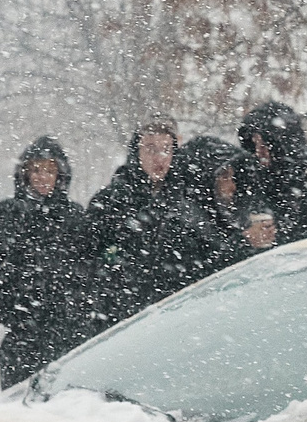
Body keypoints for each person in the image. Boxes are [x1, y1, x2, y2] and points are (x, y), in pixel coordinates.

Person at [0, 136, 100, 388]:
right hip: (17, 329)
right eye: (36, 169)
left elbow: (90, 272)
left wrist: (81, 315)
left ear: (61, 175)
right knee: (18, 401)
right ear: (24, 173)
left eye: (50, 170)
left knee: (62, 403)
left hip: (64, 328)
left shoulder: (76, 217)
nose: (42, 177)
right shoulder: (4, 214)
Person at [84, 118, 218, 323]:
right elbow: (88, 260)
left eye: (166, 148)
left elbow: (211, 258)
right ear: (136, 152)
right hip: (124, 320)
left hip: (181, 317)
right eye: (150, 149)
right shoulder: (110, 202)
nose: (160, 157)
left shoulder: (190, 201)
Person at [237, 101, 307, 246]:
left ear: (283, 144)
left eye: (264, 144)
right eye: (254, 144)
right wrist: (246, 240)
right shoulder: (248, 183)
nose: (259, 152)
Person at [176, 134, 256, 276]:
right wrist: (244, 242)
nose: (233, 187)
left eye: (233, 177)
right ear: (203, 181)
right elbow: (204, 278)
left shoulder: (226, 216)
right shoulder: (183, 225)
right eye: (224, 177)